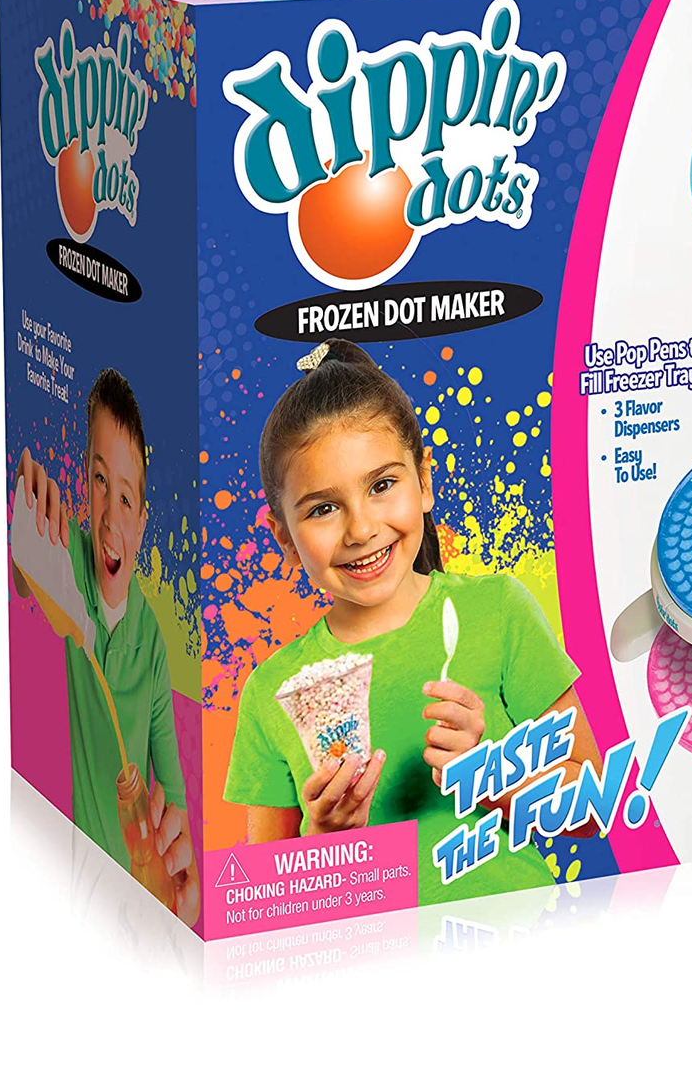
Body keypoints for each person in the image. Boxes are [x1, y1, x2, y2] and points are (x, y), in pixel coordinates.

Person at [224, 340, 601, 904]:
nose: (360, 529)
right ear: (284, 535)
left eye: (381, 485)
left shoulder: (498, 611)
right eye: (323, 508)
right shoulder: (272, 691)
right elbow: (264, 899)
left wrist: (488, 770)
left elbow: (591, 810)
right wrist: (323, 839)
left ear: (424, 482)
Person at [11, 369, 200, 926]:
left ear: (141, 522)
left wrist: (183, 884)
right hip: (76, 873)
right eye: (98, 481)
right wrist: (24, 508)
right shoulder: (71, 561)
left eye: (125, 497)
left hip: (141, 895)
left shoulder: (151, 641)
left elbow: (174, 791)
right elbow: (26, 569)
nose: (110, 516)